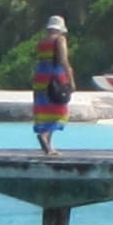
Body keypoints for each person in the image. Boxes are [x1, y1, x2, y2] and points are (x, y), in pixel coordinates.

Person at [32, 15, 76, 155]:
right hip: (55, 77)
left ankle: (49, 147)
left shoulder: (42, 41)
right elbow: (63, 60)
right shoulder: (60, 40)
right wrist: (71, 79)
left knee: (45, 111)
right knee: (60, 112)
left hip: (40, 78)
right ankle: (44, 136)